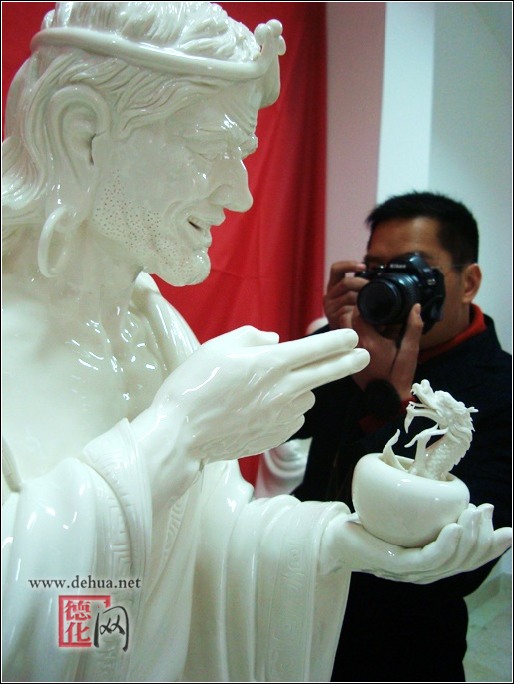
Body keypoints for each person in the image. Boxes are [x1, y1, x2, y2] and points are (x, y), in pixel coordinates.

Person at [2, 3, 510, 681]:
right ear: (83, 131)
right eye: (210, 149)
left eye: (242, 159)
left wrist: (333, 543)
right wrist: (178, 434)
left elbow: (203, 542)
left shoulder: (155, 325)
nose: (241, 195)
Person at [284, 191, 512, 682]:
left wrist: (387, 405)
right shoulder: (352, 344)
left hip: (398, 645)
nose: (393, 286)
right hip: (294, 610)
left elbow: (459, 567)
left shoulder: (501, 390)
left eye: (414, 270)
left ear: (469, 282)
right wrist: (332, 345)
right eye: (376, 269)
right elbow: (277, 422)